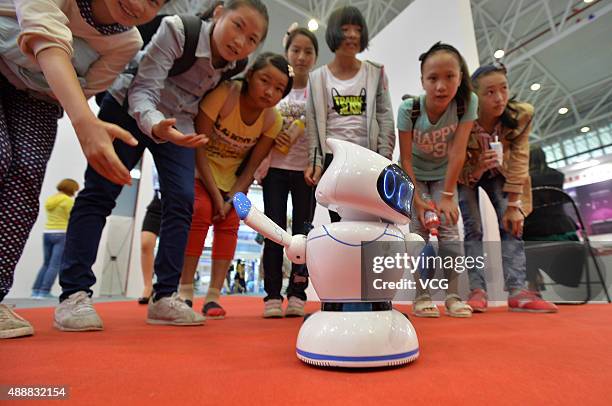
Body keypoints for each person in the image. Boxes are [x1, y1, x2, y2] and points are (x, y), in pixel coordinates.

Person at [55, 0, 269, 331]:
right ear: (219, 13)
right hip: (131, 107)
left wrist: (177, 132)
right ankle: (74, 293)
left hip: (179, 123)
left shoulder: (236, 63)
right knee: (100, 192)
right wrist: (156, 126)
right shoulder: (178, 30)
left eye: (253, 39)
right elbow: (143, 88)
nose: (241, 41)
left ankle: (164, 296)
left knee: (183, 201)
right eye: (238, 25)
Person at [0, 0, 164, 339]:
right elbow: (45, 35)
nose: (138, 4)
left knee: (26, 176)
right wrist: (84, 121)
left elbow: (86, 86)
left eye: (156, 2)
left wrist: (84, 118)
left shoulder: (128, 42)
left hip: (39, 97)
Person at [179, 52, 289, 319]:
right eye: (265, 81)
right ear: (250, 75)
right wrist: (216, 195)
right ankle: (184, 291)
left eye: (279, 89)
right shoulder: (225, 94)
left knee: (230, 222)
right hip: (200, 171)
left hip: (233, 182)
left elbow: (252, 166)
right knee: (201, 211)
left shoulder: (272, 120)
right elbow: (199, 146)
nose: (270, 92)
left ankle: (213, 296)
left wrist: (231, 198)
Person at [458, 63, 557, 313]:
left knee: (511, 224)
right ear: (474, 96)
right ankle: (477, 289)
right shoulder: (461, 118)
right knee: (474, 228)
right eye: (489, 92)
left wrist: (514, 205)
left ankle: (517, 290)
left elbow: (521, 158)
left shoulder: (520, 115)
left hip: (503, 172)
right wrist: (478, 168)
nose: (499, 97)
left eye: (503, 89)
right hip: (468, 172)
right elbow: (455, 163)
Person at [397, 42, 477, 318]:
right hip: (415, 175)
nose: (441, 86)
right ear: (422, 80)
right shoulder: (409, 109)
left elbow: (458, 151)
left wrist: (447, 194)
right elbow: (405, 159)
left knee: (450, 232)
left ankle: (454, 296)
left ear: (460, 77)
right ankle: (422, 297)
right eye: (433, 78)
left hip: (445, 176)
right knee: (419, 233)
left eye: (449, 77)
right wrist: (418, 198)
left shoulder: (467, 103)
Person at [304, 6, 395, 222]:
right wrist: (314, 161)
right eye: (345, 29)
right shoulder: (317, 77)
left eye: (357, 29)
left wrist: (385, 157)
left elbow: (385, 116)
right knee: (339, 221)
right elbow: (312, 123)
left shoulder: (375, 72)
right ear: (334, 33)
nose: (353, 34)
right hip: (332, 158)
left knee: (372, 220)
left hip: (368, 156)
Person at [259, 25, 318, 318]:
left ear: (316, 57)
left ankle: (297, 293)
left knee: (303, 235)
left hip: (306, 172)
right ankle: (271, 294)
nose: (302, 56)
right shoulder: (277, 87)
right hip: (276, 171)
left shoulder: (318, 91)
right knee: (274, 231)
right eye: (296, 50)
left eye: (308, 51)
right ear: (287, 53)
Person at [31, 179, 80, 299]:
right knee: (54, 265)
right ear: (71, 188)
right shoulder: (68, 201)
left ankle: (36, 291)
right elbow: (73, 218)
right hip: (61, 233)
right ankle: (45, 291)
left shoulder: (51, 200)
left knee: (46, 263)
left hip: (47, 232)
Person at [137, 164, 161, 305]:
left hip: (178, 199)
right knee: (146, 243)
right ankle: (148, 285)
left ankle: (166, 286)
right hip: (157, 199)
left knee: (173, 245)